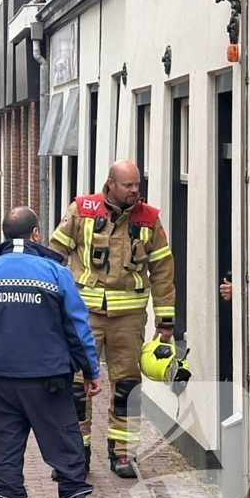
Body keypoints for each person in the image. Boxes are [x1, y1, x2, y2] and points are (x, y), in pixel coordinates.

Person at [0, 206, 103, 498]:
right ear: (36, 234)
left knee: (5, 456)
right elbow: (76, 326)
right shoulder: (54, 273)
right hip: (50, 384)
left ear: (3, 234)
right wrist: (90, 371)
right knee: (67, 453)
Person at [49, 159, 176, 479]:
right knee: (77, 386)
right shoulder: (81, 210)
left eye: (137, 185)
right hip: (84, 316)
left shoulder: (150, 220)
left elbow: (162, 271)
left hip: (129, 318)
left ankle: (122, 453)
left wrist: (165, 321)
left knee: (127, 386)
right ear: (111, 185)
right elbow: (53, 256)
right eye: (129, 185)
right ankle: (76, 454)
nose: (135, 190)